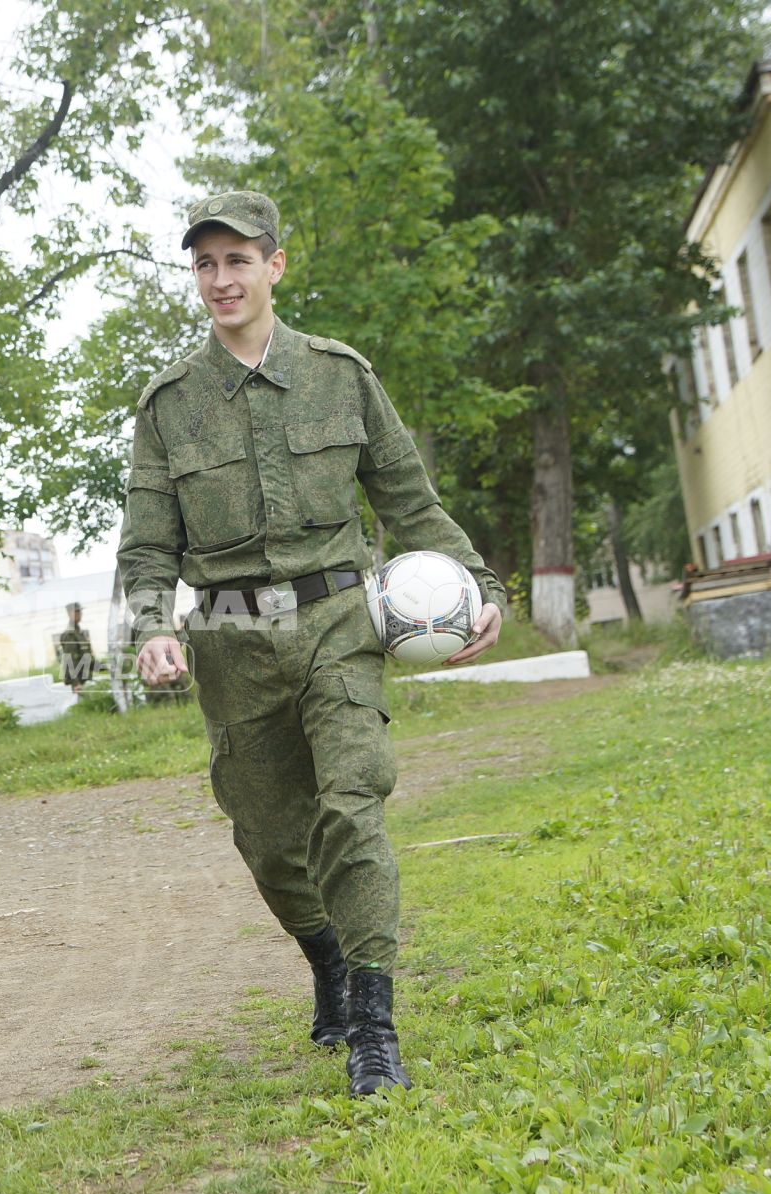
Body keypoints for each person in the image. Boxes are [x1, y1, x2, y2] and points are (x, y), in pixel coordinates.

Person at [115, 190, 504, 1097]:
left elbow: (411, 504)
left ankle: (374, 1025)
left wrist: (480, 584)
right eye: (206, 264)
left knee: (353, 804)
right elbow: (147, 546)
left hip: (338, 621)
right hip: (229, 638)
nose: (221, 279)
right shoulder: (169, 405)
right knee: (268, 839)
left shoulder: (341, 375)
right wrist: (150, 626)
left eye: (238, 260)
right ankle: (326, 956)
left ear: (275, 265)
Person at [55, 603, 95, 693]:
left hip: (86, 678)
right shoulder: (69, 635)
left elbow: (87, 657)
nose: (80, 614)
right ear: (70, 614)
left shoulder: (80, 634)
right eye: (76, 611)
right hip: (79, 682)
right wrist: (76, 683)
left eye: (80, 611)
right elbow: (69, 661)